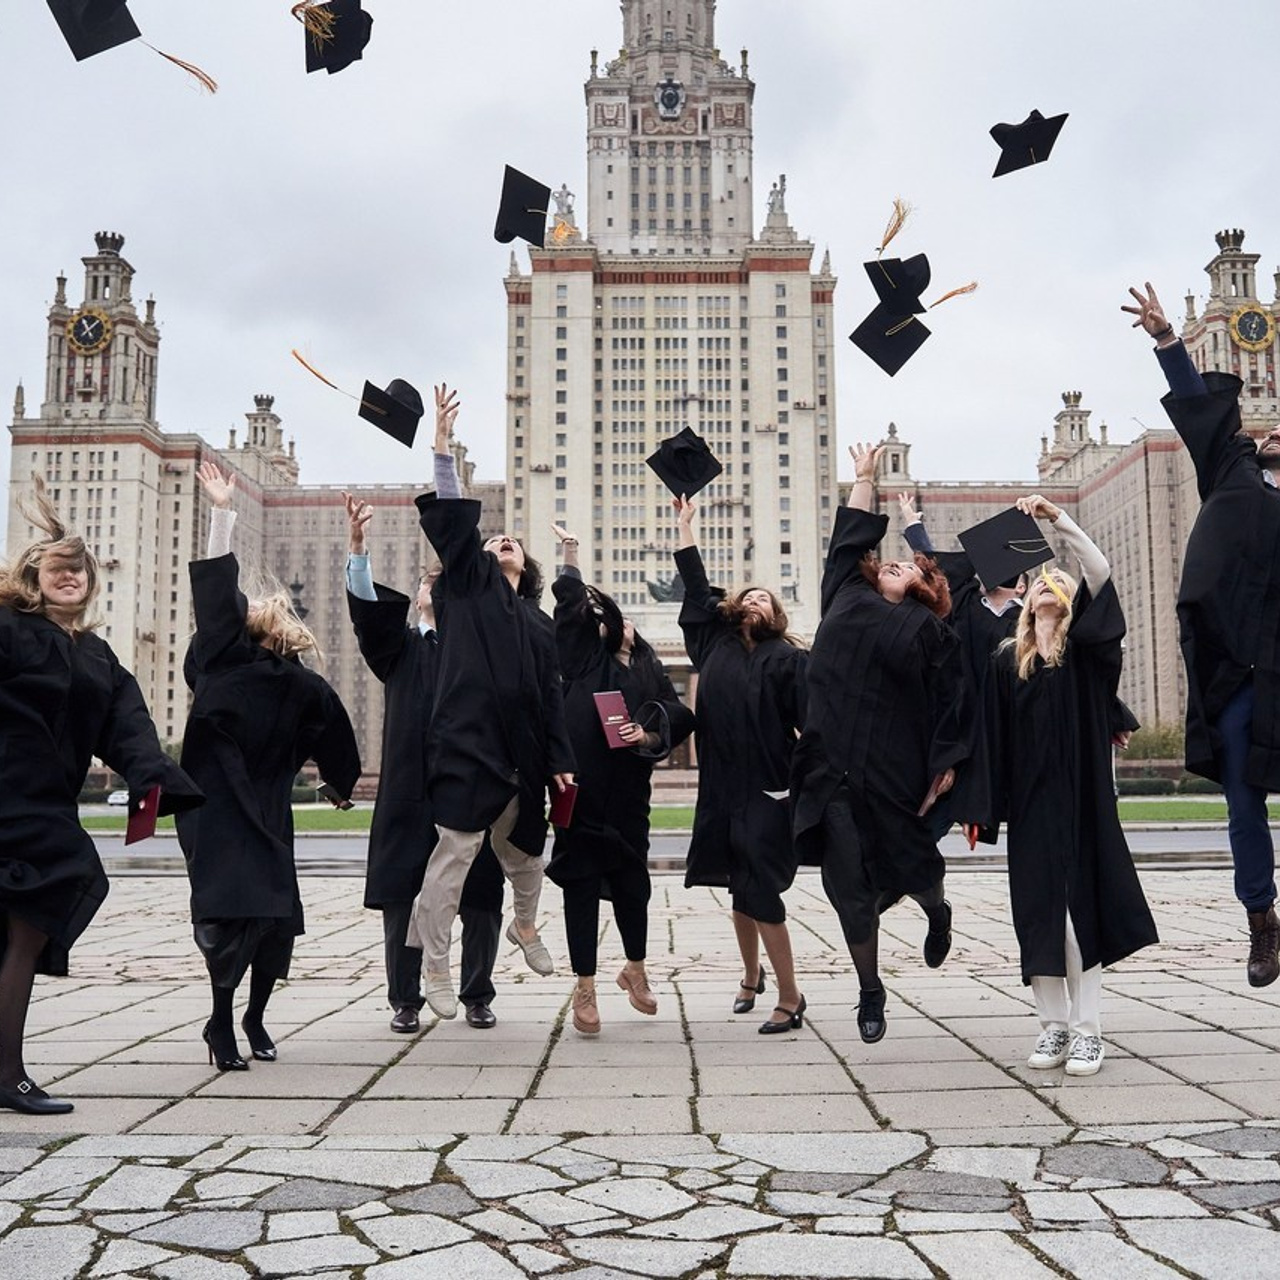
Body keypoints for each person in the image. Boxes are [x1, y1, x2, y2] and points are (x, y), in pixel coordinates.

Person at [0, 478, 202, 1114]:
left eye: (79, 570)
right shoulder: (7, 629)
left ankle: (7, 1072)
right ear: (32, 578)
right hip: (8, 800)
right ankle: (7, 1075)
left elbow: (130, 731)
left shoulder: (97, 656)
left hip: (45, 809)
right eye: (57, 568)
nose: (70, 576)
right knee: (24, 932)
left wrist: (153, 789)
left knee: (24, 934)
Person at [961, 494, 1158, 1075]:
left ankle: (1087, 1031)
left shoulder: (1087, 656)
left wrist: (1056, 520)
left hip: (1082, 802)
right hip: (1030, 807)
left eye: (1058, 583)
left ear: (1072, 604)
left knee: (1079, 919)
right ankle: (1052, 1027)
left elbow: (1099, 571)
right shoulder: (1006, 662)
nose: (1048, 584)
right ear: (1025, 602)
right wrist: (980, 807)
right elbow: (990, 738)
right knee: (1037, 917)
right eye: (1040, 582)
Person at [178, 462, 361, 1071]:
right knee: (230, 918)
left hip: (268, 808)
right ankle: (221, 1021)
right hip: (217, 812)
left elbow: (335, 730)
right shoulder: (220, 662)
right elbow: (215, 595)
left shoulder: (300, 684)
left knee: (275, 922)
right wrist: (221, 514)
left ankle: (254, 1016)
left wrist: (337, 782)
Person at [1123, 282, 1280, 986]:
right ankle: (1262, 922)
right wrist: (1167, 341)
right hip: (1240, 674)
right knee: (1244, 804)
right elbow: (1201, 411)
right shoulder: (1233, 472)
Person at [406, 387, 576, 1019]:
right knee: (452, 859)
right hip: (468, 744)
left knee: (527, 858)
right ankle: (436, 965)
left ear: (526, 565)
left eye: (512, 540)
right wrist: (442, 449)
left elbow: (551, 696)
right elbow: (455, 525)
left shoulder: (538, 622)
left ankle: (525, 926)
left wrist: (560, 760)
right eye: (494, 538)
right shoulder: (469, 590)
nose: (503, 539)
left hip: (522, 754)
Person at [791, 444, 966, 1044]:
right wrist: (863, 478)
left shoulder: (930, 631)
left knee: (917, 868)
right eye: (887, 560)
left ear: (925, 585)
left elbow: (953, 702)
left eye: (907, 565)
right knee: (850, 890)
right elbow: (850, 538)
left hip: (893, 771)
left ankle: (937, 910)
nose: (891, 563)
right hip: (831, 768)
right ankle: (870, 989)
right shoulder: (847, 593)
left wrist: (947, 762)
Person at [343, 388, 505, 1034]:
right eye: (425, 583)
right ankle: (405, 999)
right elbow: (366, 616)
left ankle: (477, 993)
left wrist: (441, 448)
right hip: (411, 793)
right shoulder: (402, 652)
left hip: (470, 788)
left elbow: (460, 546)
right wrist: (358, 548)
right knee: (404, 897)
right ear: (415, 598)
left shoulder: (478, 648)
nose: (432, 587)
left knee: (480, 896)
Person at [547, 524, 695, 1034]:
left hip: (629, 794)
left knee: (634, 885)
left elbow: (679, 714)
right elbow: (570, 609)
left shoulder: (649, 671)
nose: (621, 624)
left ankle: (635, 968)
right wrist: (570, 553)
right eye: (613, 620)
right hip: (580, 791)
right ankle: (585, 986)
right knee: (581, 886)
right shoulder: (584, 662)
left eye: (628, 621)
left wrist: (647, 735)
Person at [674, 495, 809, 1034]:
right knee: (738, 885)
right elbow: (694, 586)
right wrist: (685, 527)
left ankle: (791, 996)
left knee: (759, 890)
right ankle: (751, 978)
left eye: (764, 599)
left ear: (776, 615)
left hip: (768, 789)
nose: (755, 601)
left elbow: (812, 727)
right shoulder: (714, 646)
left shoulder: (790, 659)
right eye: (747, 596)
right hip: (721, 787)